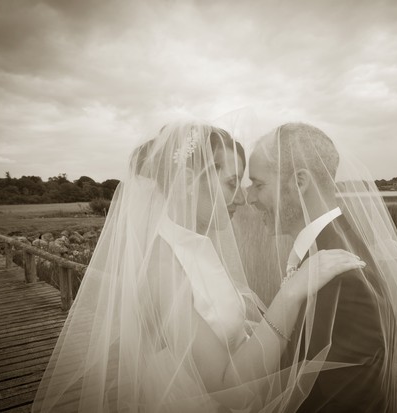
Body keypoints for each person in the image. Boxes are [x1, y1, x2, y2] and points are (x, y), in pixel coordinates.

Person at [31, 120, 362, 412]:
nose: (243, 198)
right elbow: (227, 388)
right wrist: (290, 295)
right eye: (232, 183)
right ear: (189, 180)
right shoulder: (163, 265)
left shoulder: (197, 245)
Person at [246, 122, 397, 412]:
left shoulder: (343, 276)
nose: (250, 198)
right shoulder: (328, 248)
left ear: (300, 182)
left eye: (259, 184)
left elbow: (346, 399)